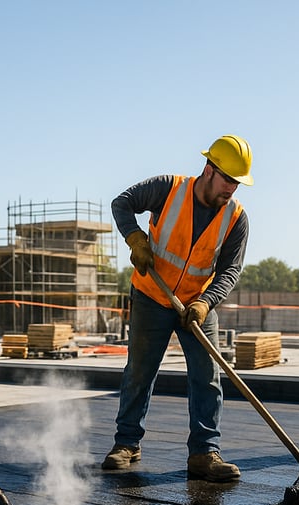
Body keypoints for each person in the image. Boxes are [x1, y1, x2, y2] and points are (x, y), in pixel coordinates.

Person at [102, 135, 252, 481]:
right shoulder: (168, 189)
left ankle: (204, 452)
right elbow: (121, 203)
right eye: (228, 179)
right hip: (152, 296)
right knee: (139, 371)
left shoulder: (236, 218)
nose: (232, 188)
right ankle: (127, 443)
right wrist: (135, 238)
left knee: (208, 377)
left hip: (197, 303)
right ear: (208, 169)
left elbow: (230, 270)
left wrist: (205, 303)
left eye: (238, 183)